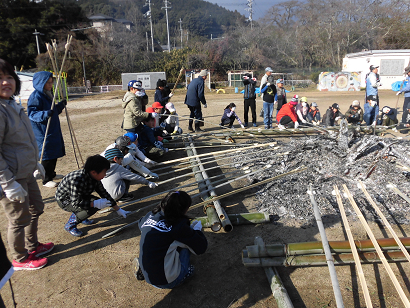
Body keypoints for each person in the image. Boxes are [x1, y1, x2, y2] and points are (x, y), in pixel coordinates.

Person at [0, 59, 53, 270]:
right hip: (12, 177)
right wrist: (7, 183)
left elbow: (23, 140)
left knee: (36, 208)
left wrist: (35, 164)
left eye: (9, 77)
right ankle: (20, 258)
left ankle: (32, 246)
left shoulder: (12, 104)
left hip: (26, 171)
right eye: (0, 79)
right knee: (18, 218)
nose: (6, 82)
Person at [134, 191, 208, 288]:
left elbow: (141, 224)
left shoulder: (150, 215)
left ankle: (144, 267)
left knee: (162, 241)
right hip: (165, 281)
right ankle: (184, 272)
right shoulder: (178, 226)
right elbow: (201, 247)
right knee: (186, 245)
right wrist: (196, 231)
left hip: (148, 274)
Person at [55, 155, 129, 237]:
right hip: (66, 200)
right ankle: (70, 225)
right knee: (92, 207)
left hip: (79, 197)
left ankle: (82, 217)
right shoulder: (77, 180)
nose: (105, 175)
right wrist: (94, 204)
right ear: (94, 172)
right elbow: (75, 203)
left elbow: (104, 193)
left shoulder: (94, 178)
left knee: (97, 201)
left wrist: (118, 209)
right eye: (104, 172)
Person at [27, 71, 66, 188]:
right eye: (48, 83)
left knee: (54, 154)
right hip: (42, 131)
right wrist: (45, 114)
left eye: (51, 82)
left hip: (52, 129)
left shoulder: (49, 94)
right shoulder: (36, 96)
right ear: (41, 83)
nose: (51, 85)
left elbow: (53, 112)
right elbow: (32, 114)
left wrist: (60, 106)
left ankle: (51, 173)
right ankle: (46, 179)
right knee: (47, 155)